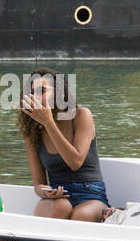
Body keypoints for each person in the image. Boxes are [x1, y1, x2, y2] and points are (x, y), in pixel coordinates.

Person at [18, 68, 109, 221]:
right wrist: (45, 192)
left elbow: (75, 162)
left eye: (42, 91)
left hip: (90, 194)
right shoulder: (32, 132)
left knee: (81, 215)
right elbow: (38, 183)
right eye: (32, 92)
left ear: (60, 94)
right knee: (57, 208)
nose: (36, 97)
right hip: (58, 195)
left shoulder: (81, 115)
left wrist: (48, 122)